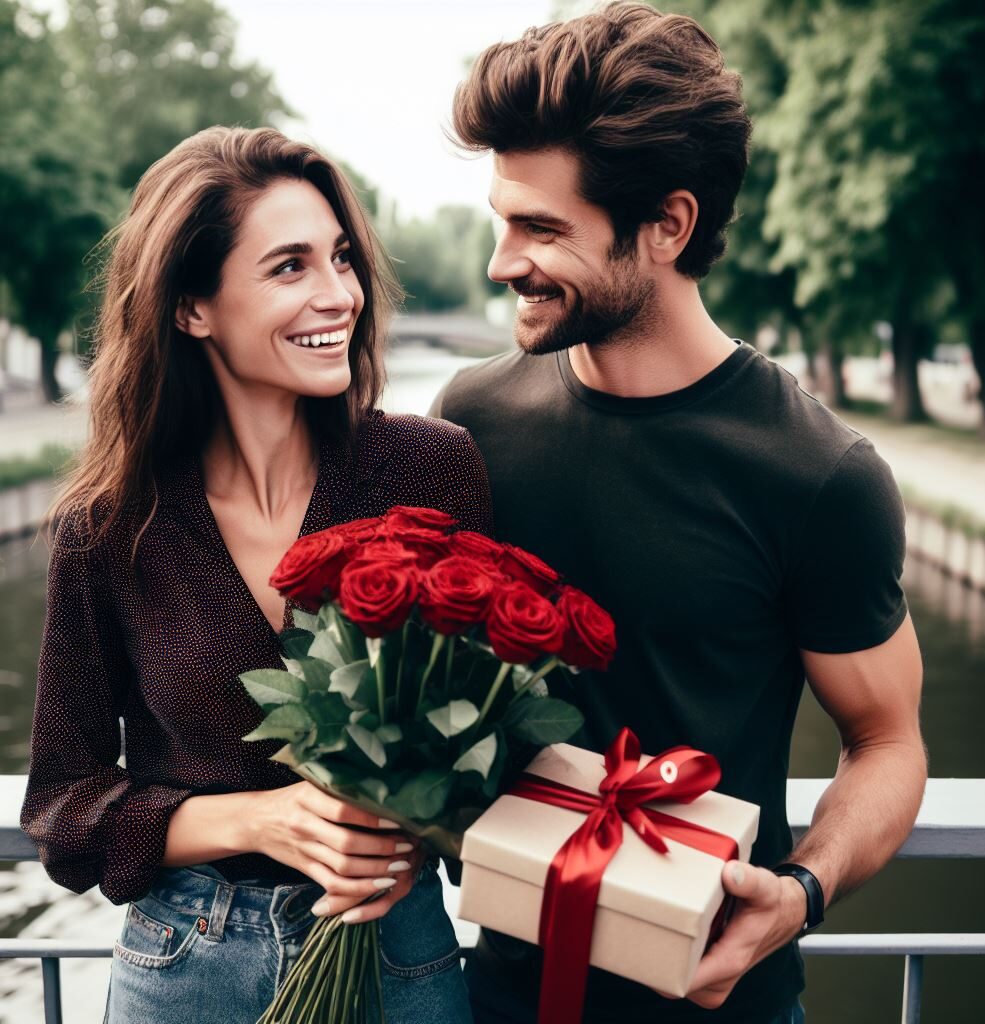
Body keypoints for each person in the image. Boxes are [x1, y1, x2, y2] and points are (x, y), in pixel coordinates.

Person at [430, 4, 926, 1022]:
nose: (500, 261)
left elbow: (886, 739)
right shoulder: (468, 421)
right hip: (495, 998)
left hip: (719, 1004)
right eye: (501, 219)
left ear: (668, 225)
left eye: (540, 228)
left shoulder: (817, 472)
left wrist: (800, 889)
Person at [20, 126, 485, 1024]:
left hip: (398, 953)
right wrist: (260, 820)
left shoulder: (434, 471)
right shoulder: (109, 524)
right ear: (193, 307)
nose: (338, 294)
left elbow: (486, 740)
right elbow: (63, 803)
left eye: (341, 258)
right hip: (184, 966)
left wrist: (421, 813)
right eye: (289, 267)